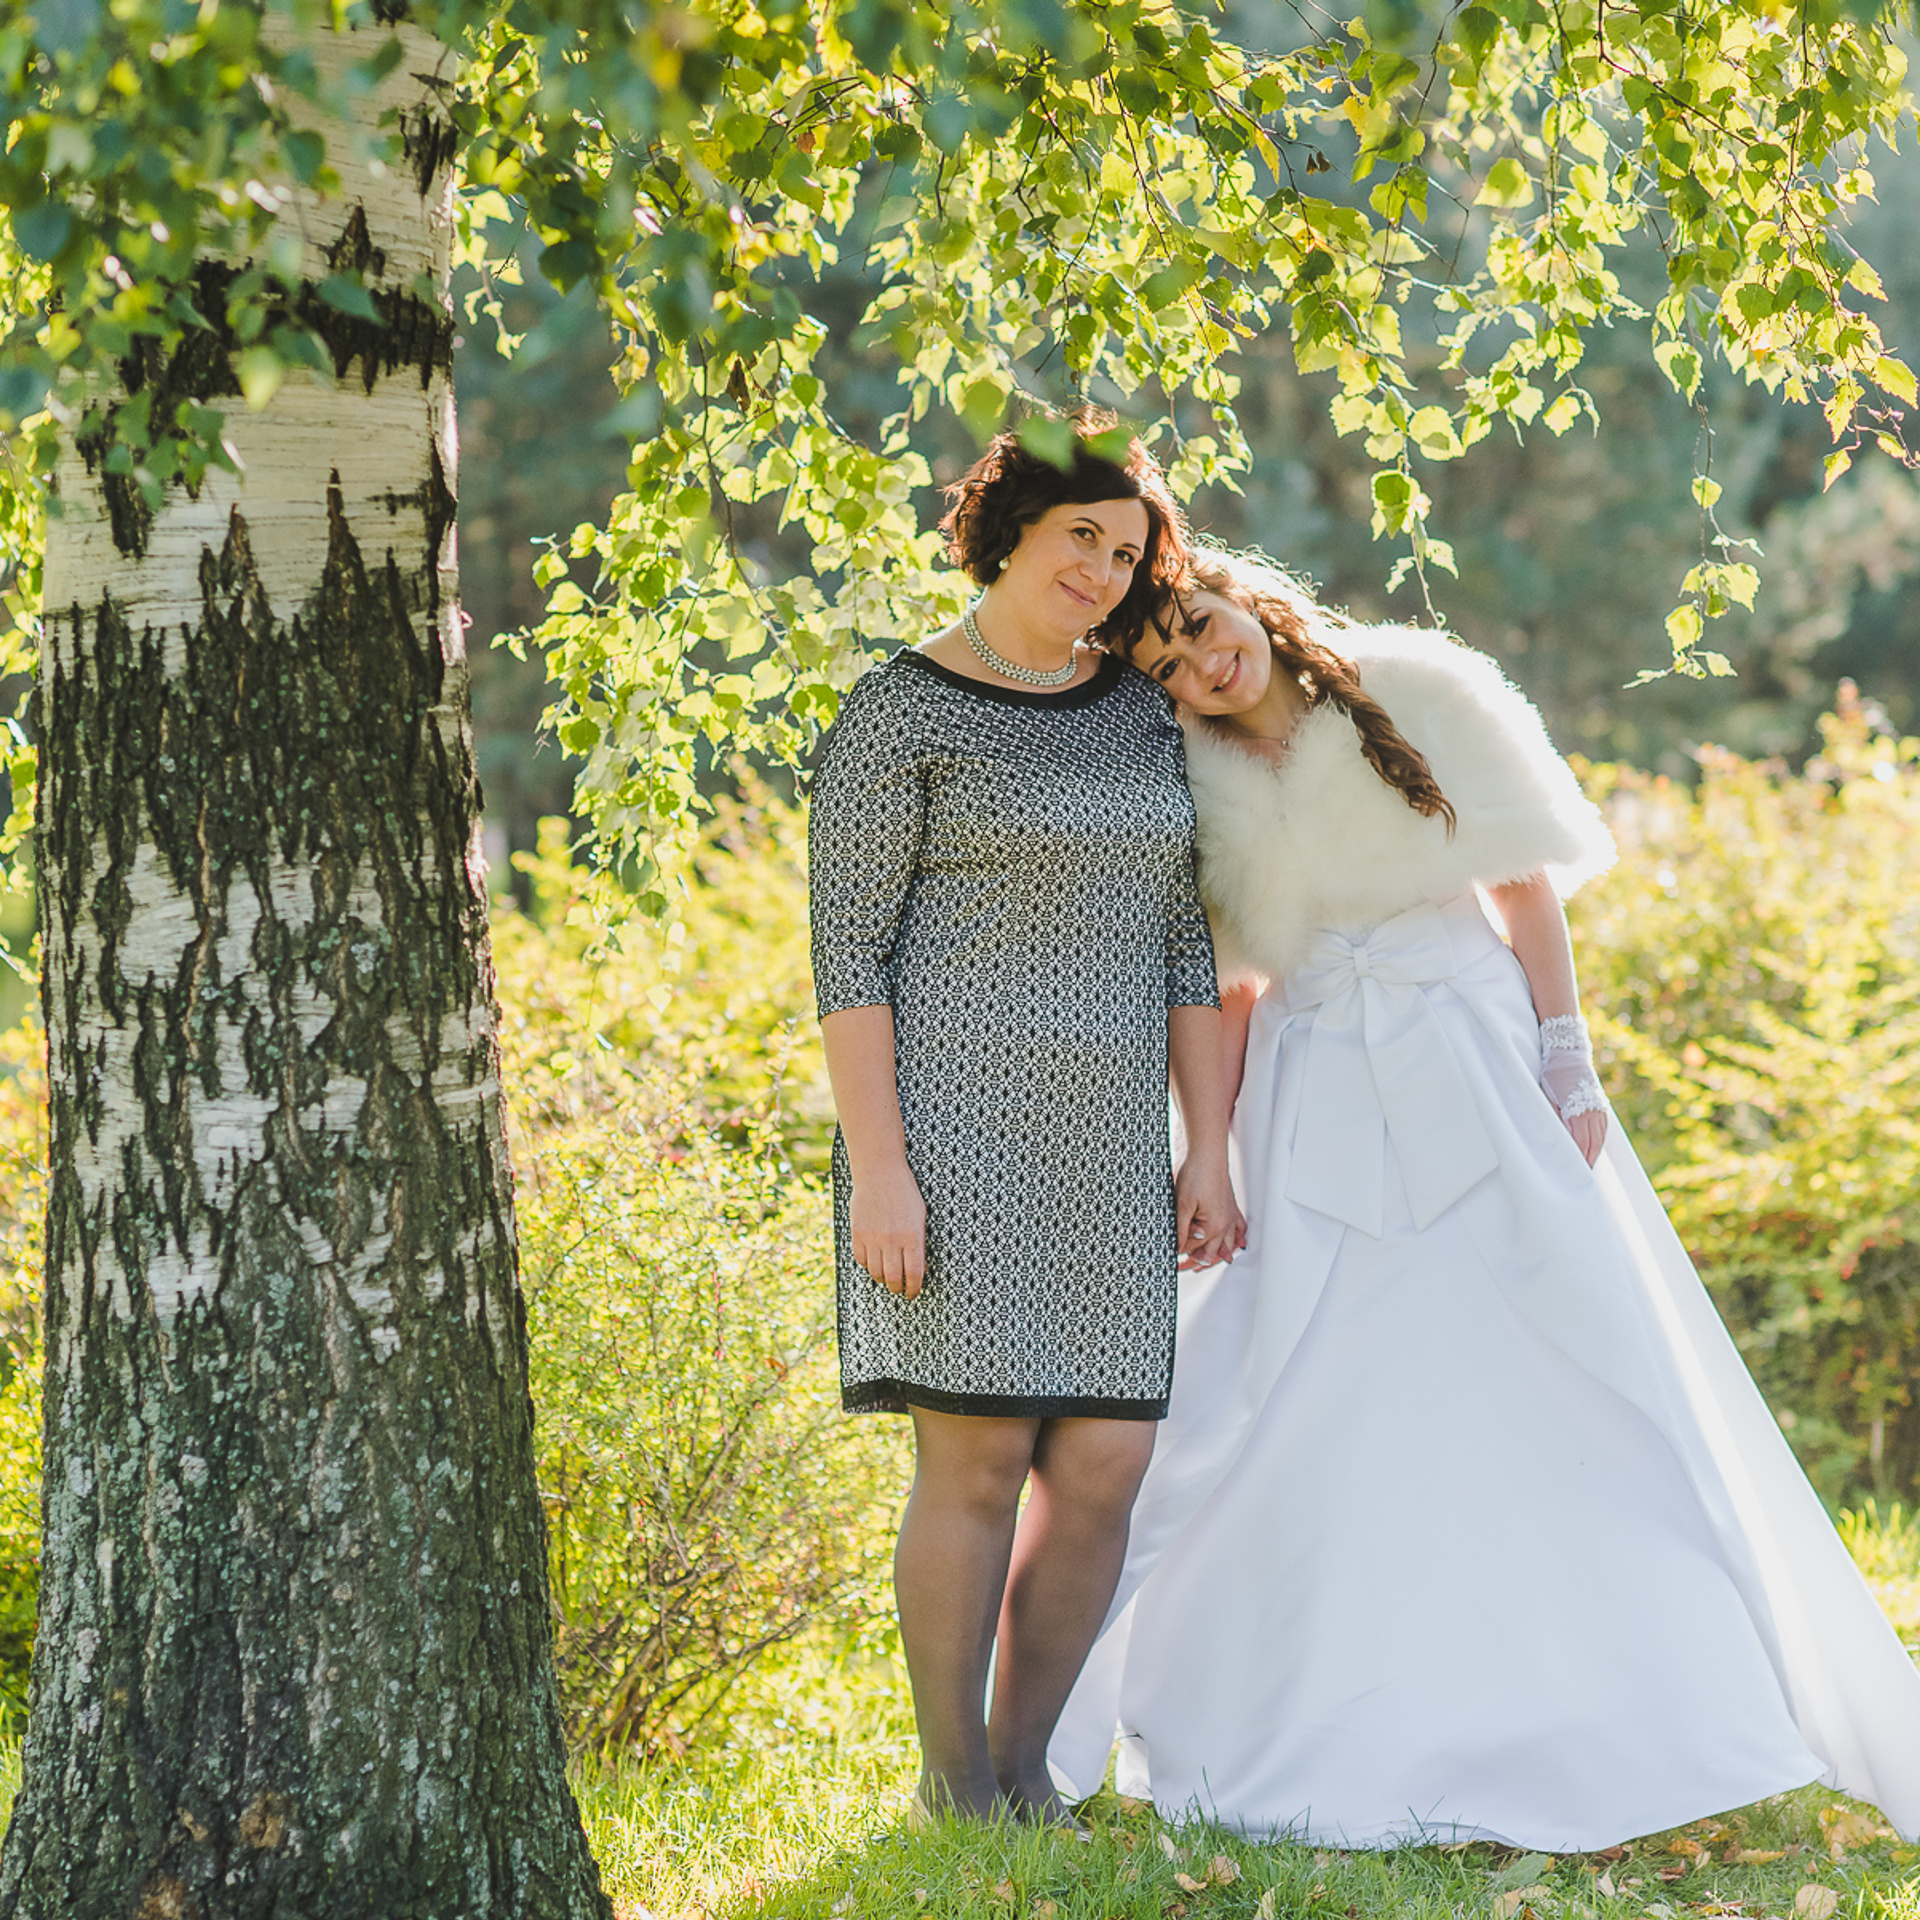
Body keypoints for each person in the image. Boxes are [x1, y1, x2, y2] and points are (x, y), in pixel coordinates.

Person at [1047, 548, 1920, 1849]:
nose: (1201, 665)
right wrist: (1209, 1157)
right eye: (1168, 669)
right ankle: (1295, 1718)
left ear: (1246, 597)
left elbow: (1519, 883)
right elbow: (1226, 991)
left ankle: (1626, 1715)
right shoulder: (1199, 784)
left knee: (1568, 1362)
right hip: (1312, 1100)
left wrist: (1567, 1056)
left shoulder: (1413, 685)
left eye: (1199, 630)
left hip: (1477, 1063)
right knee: (1288, 1392)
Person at [806, 422, 1243, 1825]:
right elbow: (846, 960)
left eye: (1128, 555)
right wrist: (883, 1171)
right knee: (981, 1452)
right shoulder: (900, 709)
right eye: (1082, 541)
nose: (1107, 574)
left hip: (1111, 1144)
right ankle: (955, 1787)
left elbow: (1188, 951)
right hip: (949, 1137)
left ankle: (1027, 1766)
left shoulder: (1138, 710)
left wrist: (1209, 1148)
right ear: (1008, 532)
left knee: (1107, 1459)